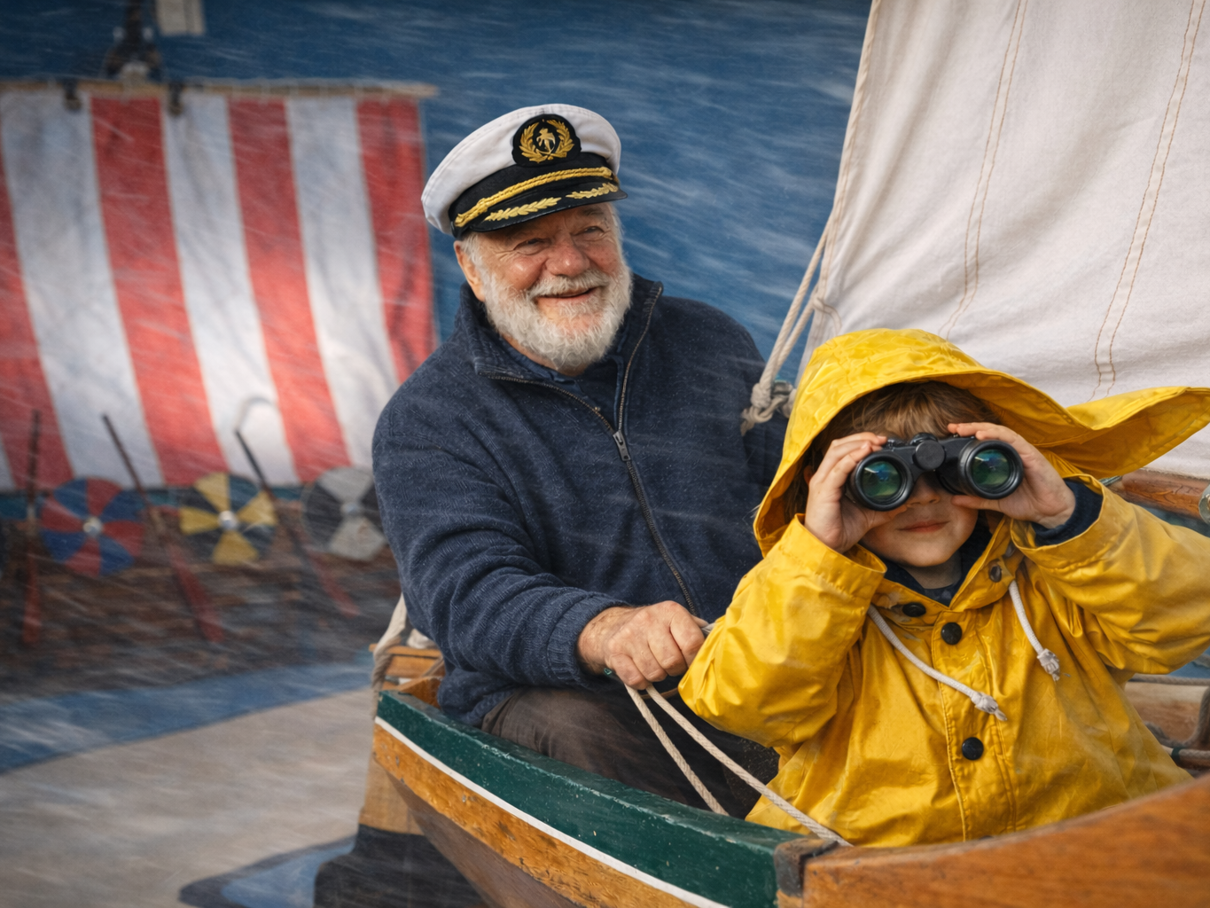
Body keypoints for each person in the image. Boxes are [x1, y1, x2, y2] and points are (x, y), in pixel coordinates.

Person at [372, 104, 786, 814]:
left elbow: (792, 492)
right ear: (471, 267)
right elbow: (465, 596)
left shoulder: (710, 342)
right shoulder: (428, 420)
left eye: (590, 231)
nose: (569, 264)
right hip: (572, 696)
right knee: (578, 730)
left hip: (749, 670)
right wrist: (604, 629)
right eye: (527, 241)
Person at [680, 327, 1210, 847]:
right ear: (824, 488)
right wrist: (818, 557)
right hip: (881, 873)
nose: (921, 498)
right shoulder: (802, 595)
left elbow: (1185, 619)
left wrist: (1068, 518)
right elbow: (744, 704)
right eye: (883, 479)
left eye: (956, 468)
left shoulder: (1055, 575)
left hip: (1093, 849)